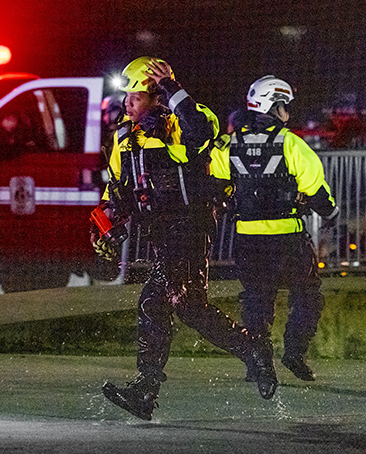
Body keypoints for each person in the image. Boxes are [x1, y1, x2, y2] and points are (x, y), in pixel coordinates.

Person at [92, 57, 271, 421]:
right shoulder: (124, 138)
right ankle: (251, 350)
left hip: (191, 222)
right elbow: (119, 188)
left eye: (137, 96)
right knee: (178, 304)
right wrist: (105, 222)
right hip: (160, 231)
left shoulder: (183, 120)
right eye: (126, 96)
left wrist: (173, 88)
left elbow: (202, 134)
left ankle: (148, 386)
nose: (128, 103)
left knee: (158, 301)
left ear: (157, 96)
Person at [210, 75, 339, 388]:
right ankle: (294, 354)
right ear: (274, 105)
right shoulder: (290, 143)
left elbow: (214, 183)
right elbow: (317, 191)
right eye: (285, 106)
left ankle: (258, 365)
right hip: (288, 240)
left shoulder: (229, 144)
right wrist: (331, 213)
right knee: (308, 297)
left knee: (256, 301)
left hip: (247, 240)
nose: (287, 113)